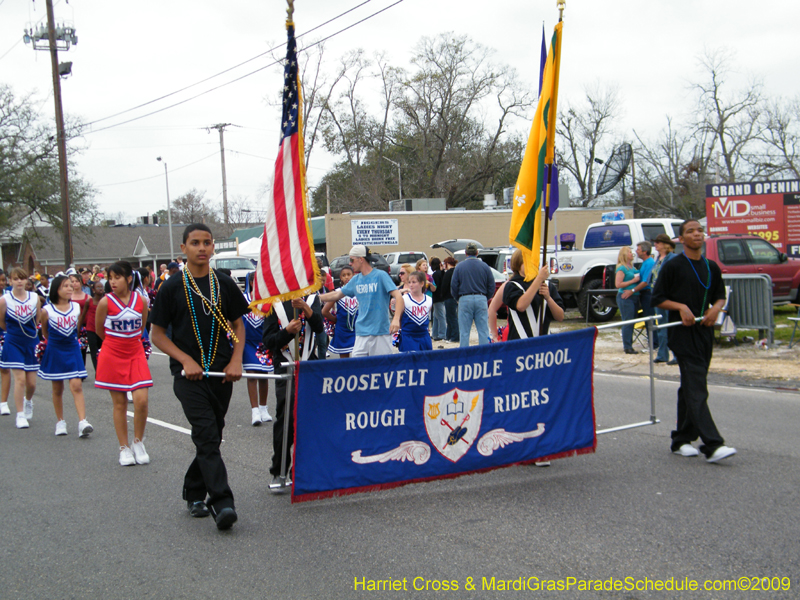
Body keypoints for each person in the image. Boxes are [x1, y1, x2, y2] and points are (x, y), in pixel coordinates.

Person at [150, 224, 248, 530]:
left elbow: (238, 326)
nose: (202, 248)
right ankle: (222, 502)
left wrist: (236, 359)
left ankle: (194, 492)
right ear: (184, 248)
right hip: (187, 376)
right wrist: (184, 359)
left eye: (207, 242)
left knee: (212, 436)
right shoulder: (171, 286)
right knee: (206, 434)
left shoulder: (224, 283)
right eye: (195, 243)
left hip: (221, 374)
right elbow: (157, 335)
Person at [651, 219, 736, 463]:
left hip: (704, 332)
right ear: (681, 239)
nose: (697, 234)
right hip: (681, 333)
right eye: (690, 231)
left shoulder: (711, 266)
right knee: (697, 386)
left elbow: (719, 295)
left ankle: (681, 439)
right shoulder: (673, 265)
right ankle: (713, 445)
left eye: (700, 230)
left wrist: (715, 308)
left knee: (691, 385)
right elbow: (657, 298)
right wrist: (680, 307)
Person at [263, 292, 324, 490]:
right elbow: (268, 341)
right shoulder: (274, 303)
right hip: (285, 367)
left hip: (309, 367)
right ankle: (278, 470)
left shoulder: (312, 299)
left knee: (309, 421)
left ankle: (302, 471)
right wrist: (287, 332)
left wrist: (305, 308)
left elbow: (319, 328)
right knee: (286, 419)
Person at [95, 262, 152, 465]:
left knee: (141, 401)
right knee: (119, 403)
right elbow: (99, 330)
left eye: (117, 277)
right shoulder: (105, 302)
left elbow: (142, 327)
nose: (112, 282)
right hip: (112, 354)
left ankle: (138, 441)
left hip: (135, 353)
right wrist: (114, 345)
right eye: (110, 278)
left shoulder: (141, 300)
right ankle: (124, 448)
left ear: (128, 279)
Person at [319, 245, 403, 357]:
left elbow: (398, 296)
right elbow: (337, 294)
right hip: (361, 333)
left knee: (380, 366)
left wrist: (396, 319)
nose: (350, 263)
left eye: (352, 260)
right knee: (358, 365)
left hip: (381, 332)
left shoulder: (381, 276)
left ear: (361, 259)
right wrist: (317, 298)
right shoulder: (356, 279)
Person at [38, 275, 93, 438]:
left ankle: (82, 422)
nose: (70, 288)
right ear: (56, 290)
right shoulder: (46, 310)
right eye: (65, 286)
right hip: (55, 350)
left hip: (72, 349)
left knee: (77, 385)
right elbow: (45, 333)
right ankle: (60, 421)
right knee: (57, 388)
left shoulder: (76, 307)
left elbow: (76, 328)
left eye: (71, 285)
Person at [0, 268, 40, 427]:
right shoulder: (5, 299)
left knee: (32, 384)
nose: (19, 281)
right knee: (20, 379)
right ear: (10, 281)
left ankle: (28, 401)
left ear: (26, 280)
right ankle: (20, 415)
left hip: (31, 341)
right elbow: (2, 322)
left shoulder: (34, 297)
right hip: (13, 341)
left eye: (22, 278)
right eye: (15, 279)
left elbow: (37, 319)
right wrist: (13, 333)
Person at [503, 249, 565, 339]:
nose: (531, 264)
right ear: (518, 264)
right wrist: (538, 279)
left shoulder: (546, 285)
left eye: (533, 261)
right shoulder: (512, 285)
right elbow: (520, 306)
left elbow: (560, 317)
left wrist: (548, 298)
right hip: (520, 341)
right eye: (526, 261)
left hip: (544, 341)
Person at [241, 272, 273, 426]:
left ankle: (263, 408)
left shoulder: (269, 301)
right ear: (251, 283)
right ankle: (254, 411)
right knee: (251, 375)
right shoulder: (243, 299)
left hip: (263, 343)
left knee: (263, 375)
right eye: (256, 281)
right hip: (247, 342)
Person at [450, 243, 495, 347]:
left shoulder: (459, 267)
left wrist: (457, 298)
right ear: (477, 252)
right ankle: (484, 353)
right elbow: (491, 285)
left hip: (464, 298)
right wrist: (486, 297)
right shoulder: (485, 266)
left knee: (464, 332)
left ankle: (465, 354)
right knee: (483, 331)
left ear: (466, 253)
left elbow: (454, 285)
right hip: (481, 297)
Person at [651, 233, 677, 364]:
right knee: (661, 325)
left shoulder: (673, 258)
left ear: (665, 245)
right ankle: (662, 354)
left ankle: (677, 355)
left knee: (672, 324)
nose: (655, 244)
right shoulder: (657, 259)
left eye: (658, 242)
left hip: (669, 295)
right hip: (658, 295)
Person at [322, 265, 358, 358]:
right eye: (344, 275)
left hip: (358, 330)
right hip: (342, 330)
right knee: (344, 360)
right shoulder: (338, 292)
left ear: (354, 275)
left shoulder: (359, 291)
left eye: (349, 274)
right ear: (340, 278)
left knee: (359, 358)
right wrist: (335, 319)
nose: (346, 277)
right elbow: (324, 311)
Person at [615, 245, 641, 354]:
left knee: (632, 321)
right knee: (628, 321)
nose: (632, 254)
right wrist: (632, 281)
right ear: (625, 254)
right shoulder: (622, 268)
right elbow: (618, 284)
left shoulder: (632, 267)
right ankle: (627, 346)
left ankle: (629, 343)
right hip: (625, 297)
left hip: (634, 296)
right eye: (629, 252)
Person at [398, 271, 433, 352]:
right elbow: (399, 318)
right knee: (410, 359)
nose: (411, 285)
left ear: (422, 283)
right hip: (408, 336)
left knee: (426, 359)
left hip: (424, 336)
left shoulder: (429, 300)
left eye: (414, 282)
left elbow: (426, 317)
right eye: (409, 282)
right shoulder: (404, 299)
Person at [79, 280, 105, 371]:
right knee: (94, 352)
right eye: (98, 287)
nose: (100, 289)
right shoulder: (89, 301)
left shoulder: (106, 301)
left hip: (103, 329)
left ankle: (103, 370)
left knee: (103, 351)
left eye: (101, 287)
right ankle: (97, 371)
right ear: (93, 290)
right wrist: (78, 329)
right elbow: (83, 316)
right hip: (91, 329)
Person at [631, 241, 656, 319]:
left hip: (648, 294)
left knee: (649, 318)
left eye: (638, 249)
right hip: (644, 293)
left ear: (644, 252)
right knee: (646, 316)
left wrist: (632, 291)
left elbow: (645, 282)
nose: (636, 251)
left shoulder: (649, 263)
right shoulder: (645, 262)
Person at [69, 273, 90, 365]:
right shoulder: (67, 297)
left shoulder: (87, 297)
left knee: (82, 349)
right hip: (71, 325)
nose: (74, 283)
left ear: (81, 282)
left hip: (84, 326)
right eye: (72, 281)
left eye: (77, 281)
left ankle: (82, 367)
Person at [441, 257, 459, 343]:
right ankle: (448, 335)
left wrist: (442, 294)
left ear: (447, 264)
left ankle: (455, 336)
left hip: (448, 297)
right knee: (451, 317)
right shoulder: (457, 272)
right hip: (455, 297)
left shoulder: (448, 273)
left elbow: (444, 286)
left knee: (451, 317)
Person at [0, 271, 10, 417]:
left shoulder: (8, 296)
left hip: (4, 335)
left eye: (3, 280)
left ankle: (3, 402)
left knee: (5, 369)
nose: (2, 283)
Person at [430, 258, 446, 341]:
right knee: (436, 315)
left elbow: (436, 286)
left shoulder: (435, 274)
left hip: (437, 297)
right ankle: (435, 333)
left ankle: (442, 334)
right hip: (442, 297)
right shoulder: (443, 273)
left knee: (440, 316)